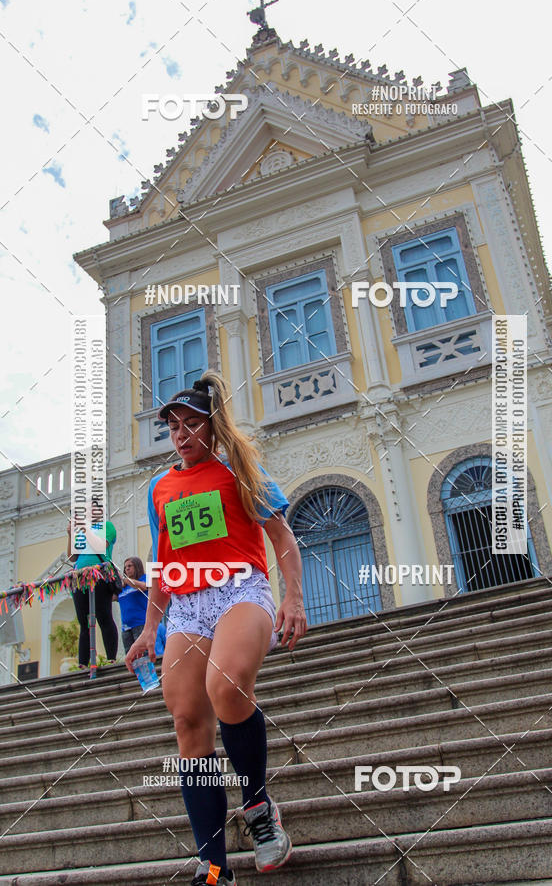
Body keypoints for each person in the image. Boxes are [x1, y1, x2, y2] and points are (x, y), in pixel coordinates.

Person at [125, 371, 307, 886]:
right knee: (187, 722)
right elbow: (164, 564)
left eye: (191, 424)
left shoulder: (239, 469)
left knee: (225, 686)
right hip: (186, 605)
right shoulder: (160, 488)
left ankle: (258, 810)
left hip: (240, 591)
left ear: (212, 426)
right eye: (173, 426)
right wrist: (148, 631)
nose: (181, 434)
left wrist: (293, 597)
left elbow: (283, 537)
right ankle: (214, 867)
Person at [66, 512, 119, 668]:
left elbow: (101, 546)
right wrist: (70, 535)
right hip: (80, 577)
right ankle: (83, 662)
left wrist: (84, 527)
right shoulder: (81, 533)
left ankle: (111, 659)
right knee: (84, 622)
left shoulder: (106, 526)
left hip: (99, 574)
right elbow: (72, 557)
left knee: (104, 616)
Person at [118, 555, 166, 656]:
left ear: (137, 566)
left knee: (144, 657)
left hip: (141, 624)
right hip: (126, 628)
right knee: (132, 659)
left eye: (130, 566)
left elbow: (144, 587)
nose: (127, 568)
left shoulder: (145, 578)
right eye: (125, 567)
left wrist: (124, 579)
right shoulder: (123, 587)